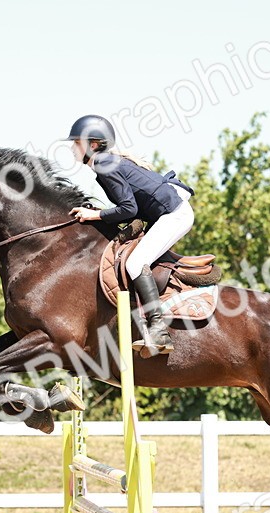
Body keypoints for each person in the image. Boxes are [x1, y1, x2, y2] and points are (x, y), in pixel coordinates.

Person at [65, 114, 195, 356]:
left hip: (174, 215)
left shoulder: (104, 164)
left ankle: (158, 330)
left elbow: (129, 209)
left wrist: (95, 215)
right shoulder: (105, 162)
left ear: (93, 145)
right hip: (168, 213)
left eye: (76, 143)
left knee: (136, 263)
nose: (72, 148)